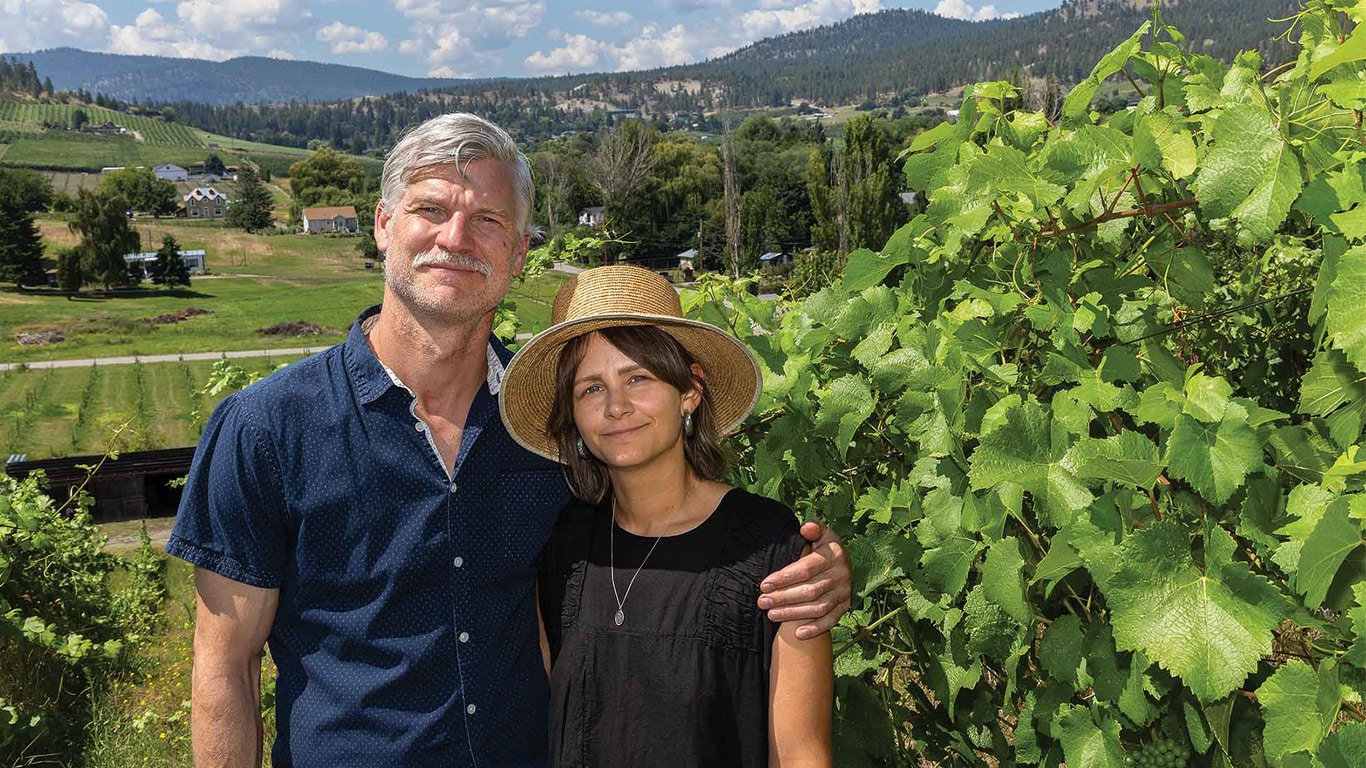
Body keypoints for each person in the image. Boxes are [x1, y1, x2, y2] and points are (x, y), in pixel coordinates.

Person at [166, 112, 852, 768]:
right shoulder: (266, 429)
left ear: (520, 253)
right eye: (430, 209)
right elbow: (225, 662)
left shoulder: (550, 429)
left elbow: (664, 532)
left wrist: (806, 569)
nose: (456, 237)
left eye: (489, 220)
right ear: (382, 225)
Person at [499, 265, 833, 767]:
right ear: (573, 415)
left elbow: (802, 755)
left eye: (638, 378)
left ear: (690, 391)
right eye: (591, 388)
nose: (616, 407)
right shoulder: (563, 546)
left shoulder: (771, 551)